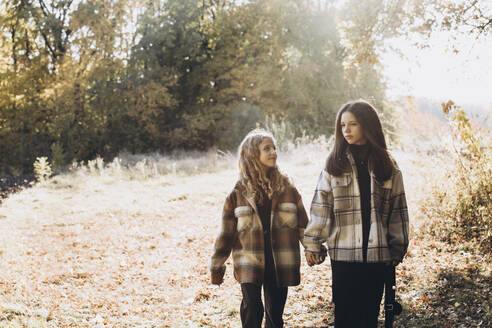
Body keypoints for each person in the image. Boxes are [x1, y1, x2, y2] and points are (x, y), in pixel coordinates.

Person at [303, 100, 409, 328]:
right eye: (342, 125)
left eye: (353, 124)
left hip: (376, 256)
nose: (346, 130)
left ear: (367, 126)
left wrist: (397, 248)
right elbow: (321, 206)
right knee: (344, 317)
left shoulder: (387, 166)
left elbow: (398, 210)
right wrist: (312, 243)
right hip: (343, 256)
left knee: (368, 317)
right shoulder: (334, 164)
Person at [210, 128, 309, 328]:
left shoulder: (288, 189)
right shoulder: (238, 193)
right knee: (252, 308)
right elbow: (225, 234)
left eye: (274, 148)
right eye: (267, 149)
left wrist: (312, 248)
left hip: (279, 261)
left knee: (275, 313)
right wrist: (217, 265)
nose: (273, 152)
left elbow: (302, 225)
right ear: (253, 155)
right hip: (249, 262)